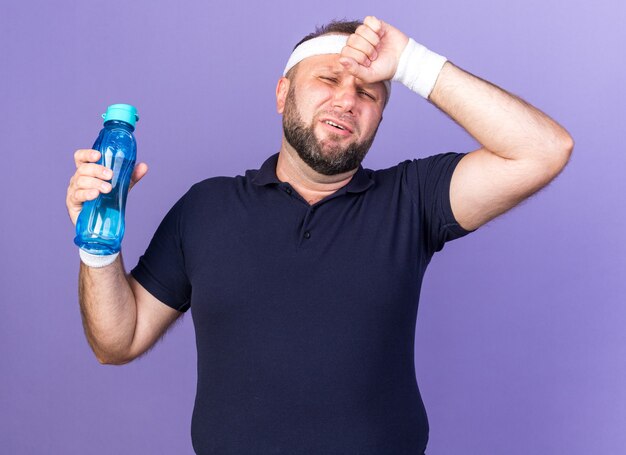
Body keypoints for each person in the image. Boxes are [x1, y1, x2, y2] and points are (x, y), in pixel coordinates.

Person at [66, 16, 573, 454]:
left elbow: (543, 150)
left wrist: (412, 64)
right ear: (283, 92)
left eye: (368, 91)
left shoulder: (411, 199)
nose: (347, 100)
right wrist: (97, 248)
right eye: (328, 79)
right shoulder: (206, 207)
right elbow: (118, 341)